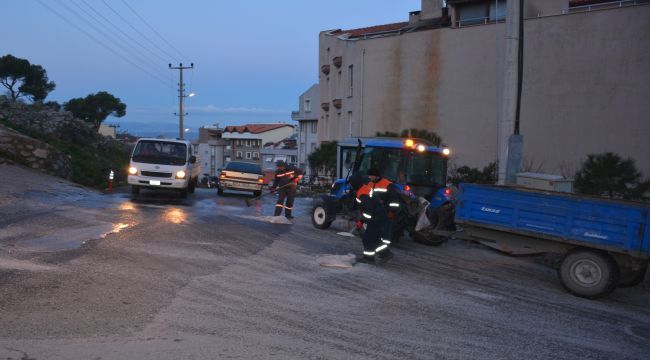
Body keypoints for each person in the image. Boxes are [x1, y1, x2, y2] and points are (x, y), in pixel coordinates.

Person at [350, 175, 393, 264]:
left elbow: (368, 212)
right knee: (374, 238)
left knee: (367, 238)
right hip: (379, 215)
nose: (350, 186)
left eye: (351, 184)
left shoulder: (363, 194)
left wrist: (361, 222)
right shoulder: (364, 188)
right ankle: (386, 254)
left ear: (354, 184)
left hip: (377, 217)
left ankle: (369, 258)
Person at [367, 168, 403, 245]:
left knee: (386, 230)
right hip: (374, 211)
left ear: (376, 176)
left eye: (370, 175)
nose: (369, 177)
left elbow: (394, 200)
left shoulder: (388, 185)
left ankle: (385, 247)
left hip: (386, 212)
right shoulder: (370, 184)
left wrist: (392, 211)